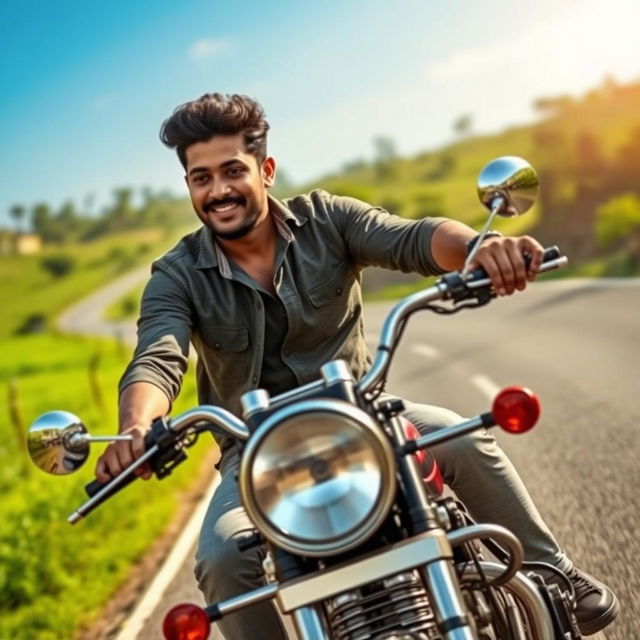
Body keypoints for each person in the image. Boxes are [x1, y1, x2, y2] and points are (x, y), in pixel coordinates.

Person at [95, 93, 618, 638]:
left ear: (266, 170)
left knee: (458, 436)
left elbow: (413, 237)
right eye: (201, 178)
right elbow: (157, 356)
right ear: (189, 187)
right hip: (257, 459)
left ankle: (555, 573)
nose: (218, 190)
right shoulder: (176, 275)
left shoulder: (327, 219)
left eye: (232, 171)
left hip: (366, 419)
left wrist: (476, 250)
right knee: (224, 557)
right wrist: (137, 428)